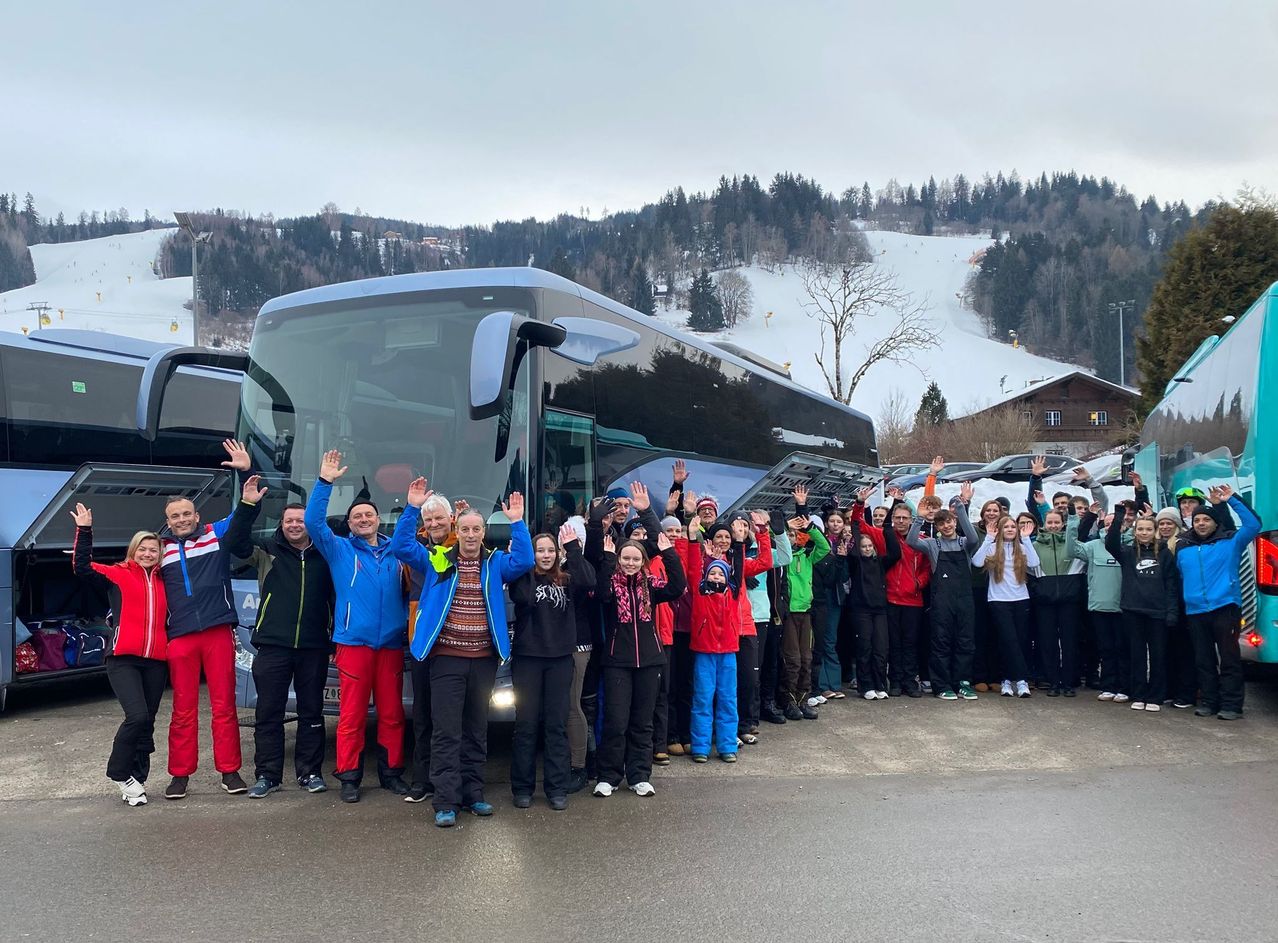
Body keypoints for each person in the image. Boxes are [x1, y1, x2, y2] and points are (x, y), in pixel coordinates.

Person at [394, 478, 532, 826]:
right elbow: (401, 546)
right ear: (459, 529)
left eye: (477, 529)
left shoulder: (495, 563)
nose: (470, 536)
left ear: (484, 533)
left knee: (475, 729)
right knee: (446, 731)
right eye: (466, 529)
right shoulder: (437, 560)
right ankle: (445, 800)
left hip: (483, 659)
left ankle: (473, 794)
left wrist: (517, 521)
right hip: (447, 659)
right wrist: (412, 508)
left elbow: (526, 560)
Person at [304, 450, 410, 803]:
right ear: (349, 524)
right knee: (350, 716)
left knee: (393, 715)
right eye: (356, 516)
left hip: (392, 645)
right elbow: (314, 523)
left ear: (379, 519)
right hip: (354, 644)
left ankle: (391, 773)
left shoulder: (399, 551)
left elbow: (421, 536)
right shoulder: (339, 550)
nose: (363, 519)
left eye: (369, 514)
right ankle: (349, 776)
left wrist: (412, 507)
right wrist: (324, 483)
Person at [158, 439, 258, 799]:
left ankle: (230, 771)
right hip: (181, 636)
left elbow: (246, 511)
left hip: (217, 631)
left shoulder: (216, 535)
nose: (182, 520)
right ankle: (180, 775)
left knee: (223, 706)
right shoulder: (161, 550)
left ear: (197, 516)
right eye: (175, 516)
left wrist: (246, 470)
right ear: (168, 522)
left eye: (187, 514)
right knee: (183, 709)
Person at [225, 494, 336, 798]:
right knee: (268, 713)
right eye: (289, 520)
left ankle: (310, 773)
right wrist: (247, 505)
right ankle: (268, 775)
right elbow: (233, 541)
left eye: (300, 520)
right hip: (273, 646)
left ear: (310, 524)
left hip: (313, 645)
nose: (294, 525)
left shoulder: (326, 555)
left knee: (312, 713)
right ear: (282, 524)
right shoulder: (267, 552)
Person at [70, 504, 167, 806]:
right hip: (123, 658)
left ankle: (137, 781)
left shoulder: (166, 580)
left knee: (147, 721)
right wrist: (85, 531)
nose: (148, 554)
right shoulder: (118, 574)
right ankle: (119, 773)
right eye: (143, 549)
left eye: (154, 550)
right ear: (133, 551)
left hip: (156, 661)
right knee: (136, 716)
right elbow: (82, 567)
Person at [592, 503, 686, 797]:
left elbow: (679, 585)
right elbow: (603, 593)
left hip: (649, 661)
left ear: (643, 561)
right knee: (616, 721)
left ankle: (639, 775)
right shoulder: (610, 583)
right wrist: (607, 560)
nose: (630, 563)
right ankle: (608, 776)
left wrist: (668, 551)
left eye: (635, 559)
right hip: (617, 661)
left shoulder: (652, 585)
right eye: (625, 558)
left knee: (642, 722)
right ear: (619, 559)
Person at [508, 523, 595, 810]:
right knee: (527, 724)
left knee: (556, 725)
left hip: (560, 659)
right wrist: (523, 562)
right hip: (528, 660)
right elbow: (523, 598)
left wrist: (573, 549)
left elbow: (588, 581)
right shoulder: (523, 577)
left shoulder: (568, 579)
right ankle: (522, 788)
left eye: (550, 550)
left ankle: (556, 787)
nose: (545, 556)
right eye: (539, 551)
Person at [1175, 485, 1262, 720]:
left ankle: (1232, 705)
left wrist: (1230, 500)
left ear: (1215, 522)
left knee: (1230, 659)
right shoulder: (1183, 547)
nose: (1201, 523)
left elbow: (1254, 525)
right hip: (1195, 611)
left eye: (1206, 519)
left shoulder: (1230, 541)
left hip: (1224, 608)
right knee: (1203, 660)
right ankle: (1209, 702)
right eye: (1197, 519)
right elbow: (1181, 576)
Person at [403, 492, 460, 803]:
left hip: (454, 641)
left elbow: (477, 539)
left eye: (440, 517)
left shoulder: (461, 545)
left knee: (451, 717)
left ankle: (454, 780)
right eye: (429, 519)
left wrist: (466, 521)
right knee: (423, 714)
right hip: (424, 640)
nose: (435, 523)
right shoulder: (416, 552)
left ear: (451, 519)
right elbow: (400, 544)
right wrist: (411, 507)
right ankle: (422, 779)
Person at [907, 483, 981, 701]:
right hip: (941, 602)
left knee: (965, 641)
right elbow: (911, 542)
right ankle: (942, 685)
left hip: (965, 600)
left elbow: (975, 538)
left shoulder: (965, 543)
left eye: (949, 521)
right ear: (937, 526)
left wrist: (961, 507)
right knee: (941, 642)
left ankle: (964, 683)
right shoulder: (932, 545)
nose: (946, 526)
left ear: (954, 522)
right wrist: (919, 517)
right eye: (941, 523)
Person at [1106, 503, 1179, 712]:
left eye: (1148, 529)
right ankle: (1138, 694)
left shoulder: (1165, 554)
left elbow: (1171, 585)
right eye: (1140, 529)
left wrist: (1172, 612)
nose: (1144, 533)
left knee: (1158, 656)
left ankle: (1155, 697)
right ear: (1135, 531)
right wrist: (1119, 516)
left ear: (1154, 531)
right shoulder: (1128, 553)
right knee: (1137, 655)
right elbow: (1110, 543)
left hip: (1158, 613)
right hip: (1132, 612)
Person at [972, 515, 1041, 698]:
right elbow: (977, 562)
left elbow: (1035, 563)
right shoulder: (993, 547)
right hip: (998, 600)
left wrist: (1026, 538)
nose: (1010, 529)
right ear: (1000, 530)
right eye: (1006, 527)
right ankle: (1017, 680)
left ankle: (1011, 680)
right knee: (1008, 640)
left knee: (1020, 640)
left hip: (1021, 599)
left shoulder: (1023, 548)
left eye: (1013, 526)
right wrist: (988, 537)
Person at [1068, 504, 1127, 703]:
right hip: (1099, 606)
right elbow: (1072, 548)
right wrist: (1073, 520)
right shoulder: (1093, 546)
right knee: (1106, 648)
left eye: (1114, 523)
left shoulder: (1130, 544)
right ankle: (1109, 685)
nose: (1110, 527)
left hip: (1124, 606)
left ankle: (1124, 686)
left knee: (1122, 648)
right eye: (1107, 523)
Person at [780, 486, 829, 719]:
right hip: (789, 613)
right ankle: (789, 700)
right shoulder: (782, 557)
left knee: (807, 659)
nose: (793, 539)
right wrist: (785, 528)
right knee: (793, 660)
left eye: (796, 536)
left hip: (806, 612)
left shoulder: (807, 556)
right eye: (790, 535)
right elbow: (772, 538)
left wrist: (807, 522)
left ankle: (803, 699)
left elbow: (824, 546)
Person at [1030, 509, 1085, 697]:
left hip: (1069, 602)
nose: (1053, 526)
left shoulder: (1073, 545)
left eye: (1057, 522)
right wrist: (1039, 592)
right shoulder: (1035, 545)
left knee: (1070, 642)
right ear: (1044, 524)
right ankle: (1053, 681)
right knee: (1048, 643)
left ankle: (1069, 682)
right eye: (1050, 522)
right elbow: (1029, 574)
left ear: (1063, 524)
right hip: (1045, 602)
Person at [847, 506, 901, 700]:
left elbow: (895, 551)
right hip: (861, 610)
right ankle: (865, 685)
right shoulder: (855, 562)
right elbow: (853, 548)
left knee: (881, 649)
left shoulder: (880, 563)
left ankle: (880, 684)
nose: (867, 549)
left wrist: (888, 524)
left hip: (880, 611)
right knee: (864, 648)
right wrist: (856, 524)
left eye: (870, 546)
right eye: (864, 546)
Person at [885, 499, 930, 697]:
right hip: (891, 598)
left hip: (913, 599)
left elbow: (927, 568)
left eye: (905, 518)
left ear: (911, 520)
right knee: (894, 643)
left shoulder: (920, 540)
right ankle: (895, 681)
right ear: (893, 519)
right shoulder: (888, 538)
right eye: (898, 518)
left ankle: (910, 681)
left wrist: (918, 583)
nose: (901, 521)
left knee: (911, 643)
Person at [812, 510, 850, 700]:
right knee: (821, 641)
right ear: (826, 524)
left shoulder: (845, 544)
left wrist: (842, 558)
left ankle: (833, 683)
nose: (836, 524)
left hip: (835, 598)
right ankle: (822, 684)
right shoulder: (820, 544)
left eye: (839, 521)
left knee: (830, 640)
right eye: (832, 521)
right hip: (820, 596)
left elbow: (844, 577)